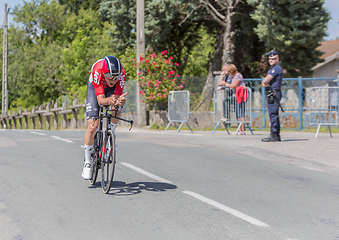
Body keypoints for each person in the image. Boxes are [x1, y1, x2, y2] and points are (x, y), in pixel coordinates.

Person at [82, 55, 127, 180]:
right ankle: (87, 161)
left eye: (115, 77)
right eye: (109, 77)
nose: (113, 80)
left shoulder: (121, 73)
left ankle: (111, 134)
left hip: (110, 91)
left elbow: (117, 97)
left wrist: (119, 101)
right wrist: (110, 100)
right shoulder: (97, 70)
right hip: (96, 89)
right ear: (104, 73)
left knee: (116, 110)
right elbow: (101, 100)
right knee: (93, 126)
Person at [218, 64, 246, 135]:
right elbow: (222, 84)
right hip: (236, 95)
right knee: (238, 112)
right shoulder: (234, 76)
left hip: (240, 95)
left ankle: (242, 130)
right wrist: (223, 79)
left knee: (240, 113)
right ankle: (239, 129)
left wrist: (225, 84)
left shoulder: (237, 75)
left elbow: (233, 86)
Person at [261, 51, 283, 142]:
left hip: (274, 93)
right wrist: (264, 82)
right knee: (273, 114)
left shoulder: (276, 68)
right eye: (270, 59)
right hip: (272, 93)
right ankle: (276, 134)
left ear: (277, 59)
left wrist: (264, 82)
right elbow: (264, 82)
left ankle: (274, 134)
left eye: (273, 59)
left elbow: (265, 81)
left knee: (273, 114)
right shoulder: (272, 68)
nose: (271, 60)